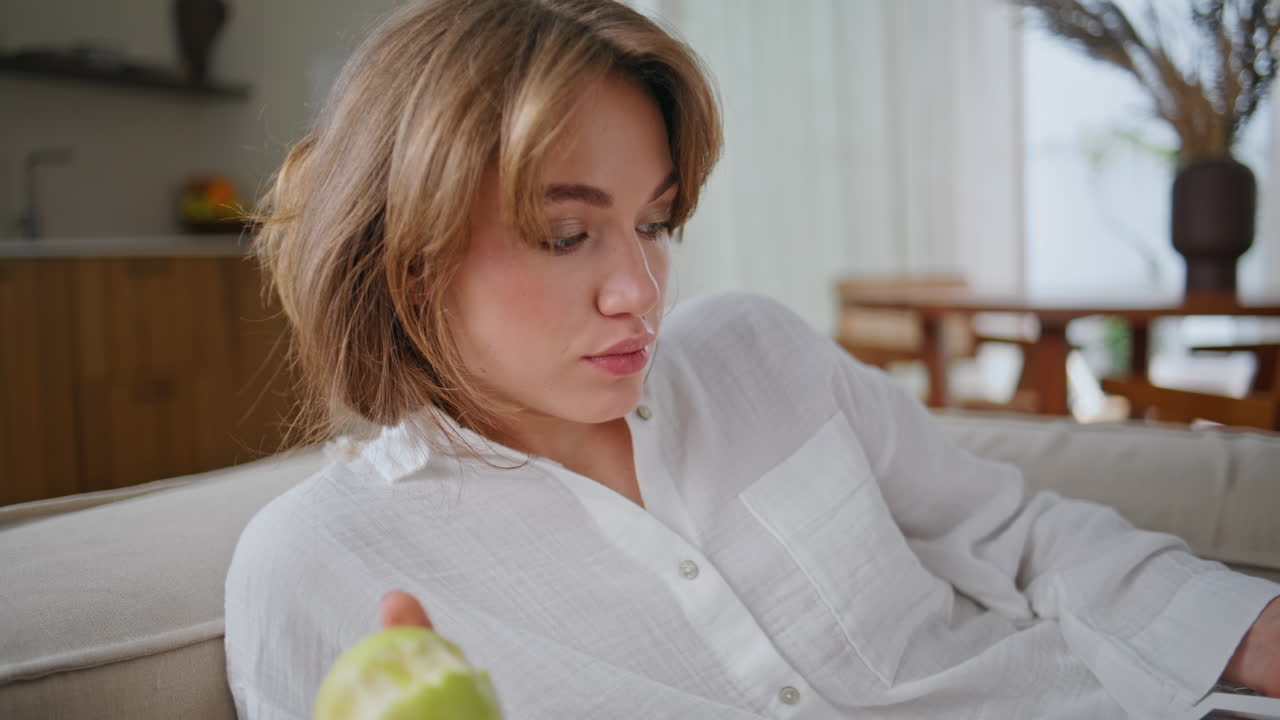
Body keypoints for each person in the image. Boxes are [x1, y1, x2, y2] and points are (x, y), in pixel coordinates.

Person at [223, 0, 1280, 718]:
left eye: (656, 221)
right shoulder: (315, 567)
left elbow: (1014, 537)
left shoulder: (757, 352)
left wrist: (1248, 630)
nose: (638, 288)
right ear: (405, 260)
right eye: (565, 234)